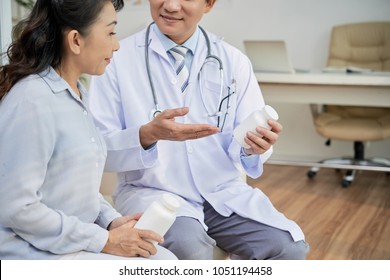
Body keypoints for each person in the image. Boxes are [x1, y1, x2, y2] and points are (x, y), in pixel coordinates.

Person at [89, 0, 310, 260]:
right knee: (191, 248)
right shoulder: (116, 59)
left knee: (288, 248)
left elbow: (248, 140)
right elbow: (99, 147)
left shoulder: (233, 61)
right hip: (154, 193)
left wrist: (253, 148)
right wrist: (147, 135)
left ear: (209, 4)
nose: (171, 6)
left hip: (223, 194)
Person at [0, 0, 176, 260]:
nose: (116, 45)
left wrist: (112, 222)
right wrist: (105, 240)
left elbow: (75, 188)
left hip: (70, 240)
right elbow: (16, 207)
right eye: (111, 32)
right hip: (32, 252)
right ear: (75, 41)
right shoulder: (32, 100)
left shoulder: (75, 94)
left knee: (161, 258)